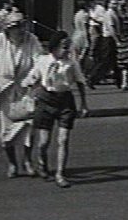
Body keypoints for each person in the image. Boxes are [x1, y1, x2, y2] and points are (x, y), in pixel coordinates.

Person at [0, 11, 43, 179]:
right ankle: (12, 163)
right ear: (7, 29)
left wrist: (33, 77)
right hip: (4, 92)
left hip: (26, 90)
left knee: (28, 127)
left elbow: (39, 61)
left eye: (22, 25)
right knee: (6, 130)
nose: (20, 29)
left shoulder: (32, 40)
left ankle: (27, 161)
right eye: (16, 26)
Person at [21, 30, 89, 189]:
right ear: (54, 47)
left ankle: (60, 173)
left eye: (68, 47)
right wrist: (29, 91)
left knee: (63, 139)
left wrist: (84, 104)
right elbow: (31, 79)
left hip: (65, 101)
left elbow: (80, 82)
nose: (67, 50)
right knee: (43, 142)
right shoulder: (43, 61)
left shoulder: (72, 63)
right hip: (46, 100)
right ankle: (42, 163)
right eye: (64, 47)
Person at [87, 0, 120, 88]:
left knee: (115, 61)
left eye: (116, 3)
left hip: (112, 38)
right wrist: (117, 40)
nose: (115, 5)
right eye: (113, 3)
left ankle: (119, 81)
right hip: (109, 39)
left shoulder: (115, 13)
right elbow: (111, 28)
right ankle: (92, 79)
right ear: (109, 4)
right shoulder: (109, 14)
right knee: (105, 61)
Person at [71, 0, 91, 66]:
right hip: (82, 35)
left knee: (75, 54)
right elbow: (85, 27)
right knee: (82, 55)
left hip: (76, 34)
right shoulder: (85, 15)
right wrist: (87, 39)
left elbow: (73, 24)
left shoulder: (76, 14)